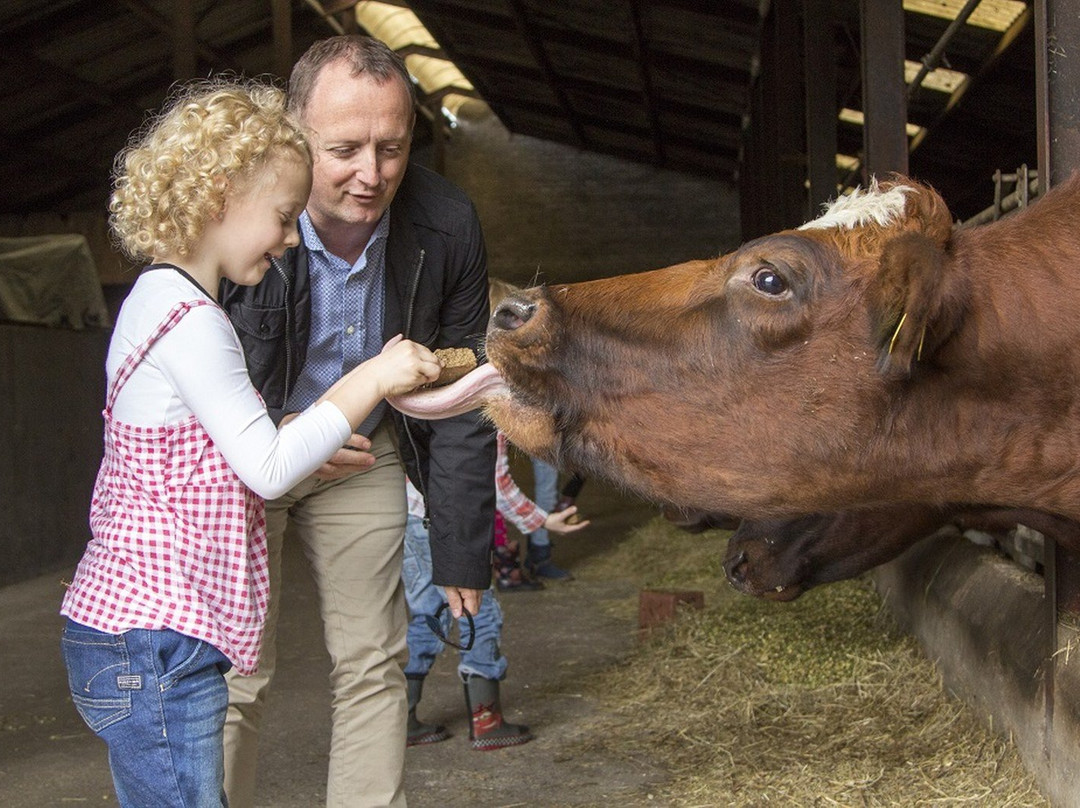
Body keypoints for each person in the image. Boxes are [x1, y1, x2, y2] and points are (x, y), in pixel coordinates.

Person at [59, 78, 442, 808]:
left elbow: (212, 446)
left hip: (138, 634)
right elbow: (267, 471)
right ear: (218, 199)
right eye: (281, 216)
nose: (293, 238)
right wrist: (374, 375)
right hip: (158, 641)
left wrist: (296, 428)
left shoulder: (155, 299)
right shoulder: (195, 321)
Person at [219, 35, 495, 808]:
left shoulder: (446, 222)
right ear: (294, 133)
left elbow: (466, 386)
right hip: (247, 451)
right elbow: (189, 356)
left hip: (360, 454)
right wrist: (285, 433)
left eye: (392, 148)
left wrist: (462, 550)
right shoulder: (237, 213)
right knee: (237, 667)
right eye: (343, 150)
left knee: (374, 658)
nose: (371, 175)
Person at [403, 431, 589, 750]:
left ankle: (399, 719)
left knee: (428, 614)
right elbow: (496, 482)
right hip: (456, 522)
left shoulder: (421, 393)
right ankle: (487, 720)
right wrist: (544, 520)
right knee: (480, 612)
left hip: (408, 517)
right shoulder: (482, 401)